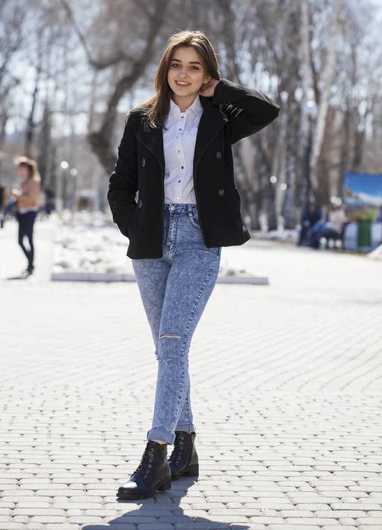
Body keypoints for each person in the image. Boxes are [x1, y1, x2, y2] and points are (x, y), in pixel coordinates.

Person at [108, 29, 280, 500]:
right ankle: (186, 448)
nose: (183, 74)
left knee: (172, 341)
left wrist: (219, 90)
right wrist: (134, 222)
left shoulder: (222, 118)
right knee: (168, 350)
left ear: (206, 74)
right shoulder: (141, 120)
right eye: (176, 64)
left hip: (199, 240)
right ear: (164, 68)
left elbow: (267, 110)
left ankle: (156, 453)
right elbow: (119, 184)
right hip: (151, 238)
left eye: (194, 67)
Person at [6, 157, 41, 276]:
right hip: (20, 212)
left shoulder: (34, 181)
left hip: (30, 212)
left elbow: (31, 200)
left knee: (30, 239)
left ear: (27, 168)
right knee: (20, 241)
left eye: (21, 167)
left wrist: (16, 195)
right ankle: (30, 262)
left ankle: (30, 265)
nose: (19, 170)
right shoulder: (20, 181)